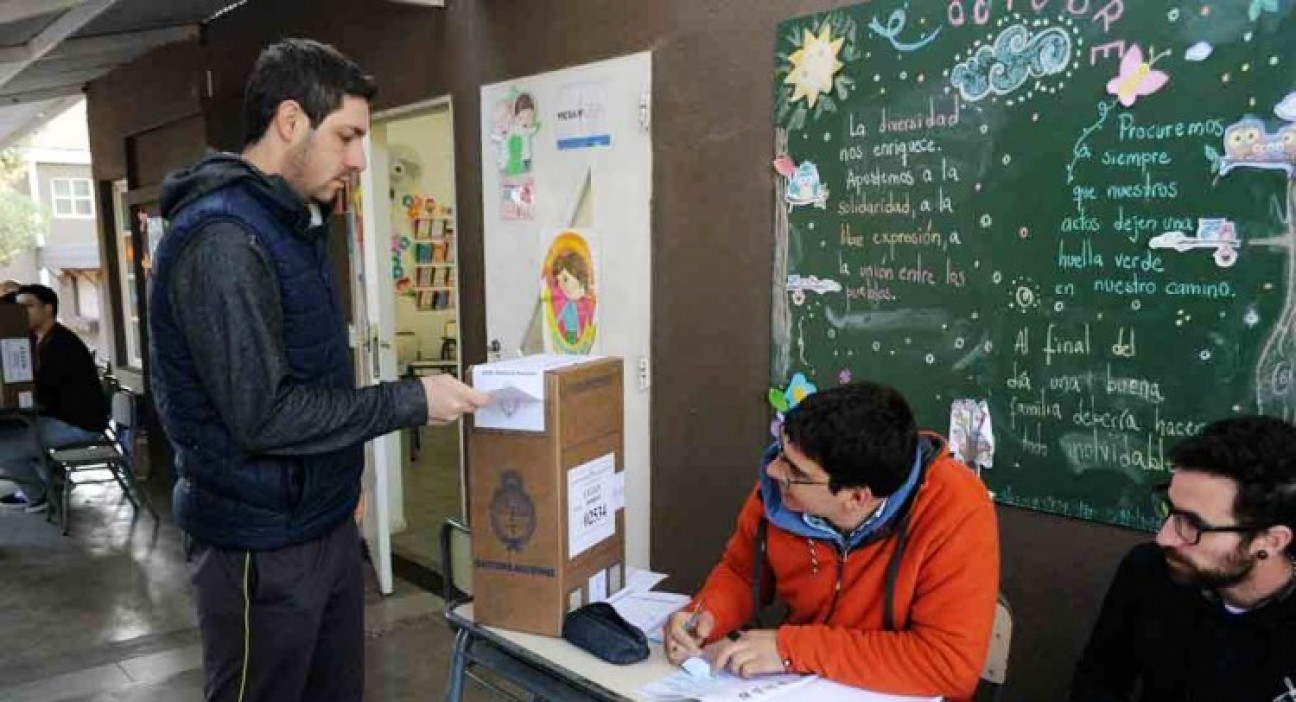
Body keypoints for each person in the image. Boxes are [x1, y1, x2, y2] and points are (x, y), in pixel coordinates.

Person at [149, 38, 489, 702]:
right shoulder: (223, 241)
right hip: (260, 547)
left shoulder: (290, 224)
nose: (360, 159)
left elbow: (314, 378)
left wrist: (340, 480)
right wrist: (411, 400)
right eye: (347, 136)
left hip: (320, 524)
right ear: (289, 121)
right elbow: (265, 415)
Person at [664, 382, 1000, 701]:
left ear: (856, 498)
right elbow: (743, 572)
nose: (774, 472)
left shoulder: (956, 508)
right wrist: (705, 615)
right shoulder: (784, 490)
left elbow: (947, 665)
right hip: (798, 685)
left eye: (797, 471)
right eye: (781, 453)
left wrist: (792, 649)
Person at [1069, 416, 1296, 701]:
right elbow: (1098, 680)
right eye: (1170, 509)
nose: (1164, 537)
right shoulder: (1149, 570)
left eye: (1193, 524)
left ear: (1270, 542)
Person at [0, 284, 108, 512]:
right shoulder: (39, 339)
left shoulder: (60, 343)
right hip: (58, 417)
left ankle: (39, 495)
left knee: (3, 447)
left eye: (28, 307)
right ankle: (52, 481)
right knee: (8, 431)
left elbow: (38, 392)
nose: (22, 313)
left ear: (48, 309)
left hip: (78, 424)